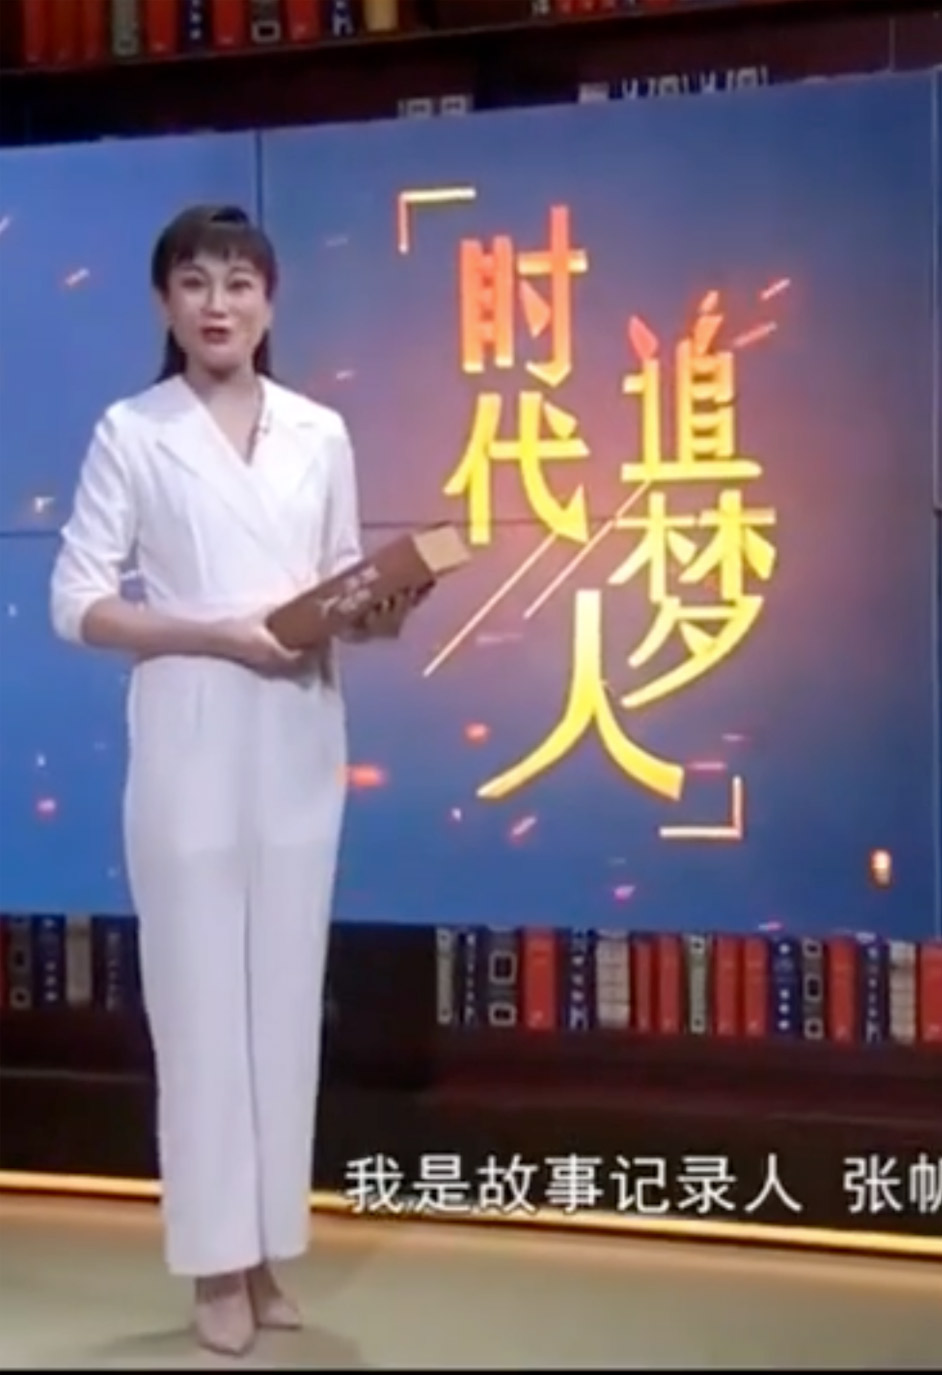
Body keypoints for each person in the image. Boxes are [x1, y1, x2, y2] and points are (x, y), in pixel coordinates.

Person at [49, 204, 412, 1356]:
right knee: (201, 1000)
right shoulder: (132, 430)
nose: (219, 303)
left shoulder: (320, 431)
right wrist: (215, 633)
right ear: (165, 303)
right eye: (196, 282)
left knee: (283, 999)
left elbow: (340, 582)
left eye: (240, 282)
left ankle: (263, 1248)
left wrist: (378, 608)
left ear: (270, 301)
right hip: (191, 733)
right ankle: (211, 1260)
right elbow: (77, 603)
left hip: (299, 731)